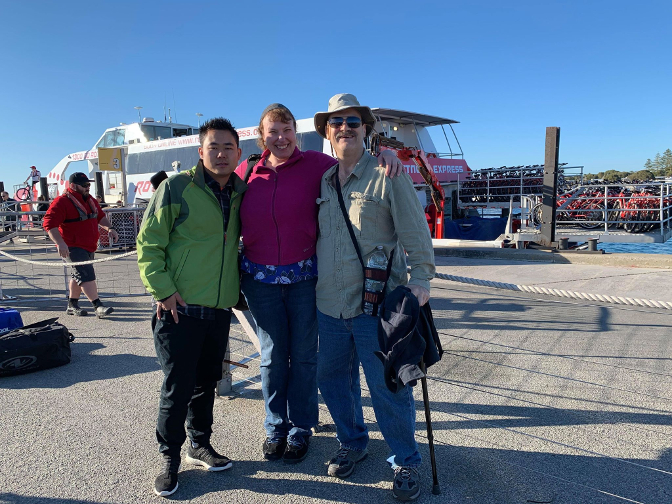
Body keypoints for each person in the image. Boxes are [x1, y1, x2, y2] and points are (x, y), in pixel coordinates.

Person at [234, 104, 402, 465]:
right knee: (272, 357)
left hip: (305, 280)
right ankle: (275, 426)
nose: (280, 137)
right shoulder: (247, 171)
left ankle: (301, 428)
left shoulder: (317, 165)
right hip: (260, 281)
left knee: (306, 357)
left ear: (297, 132)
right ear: (261, 135)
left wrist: (384, 153)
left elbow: (353, 161)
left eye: (287, 129)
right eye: (273, 131)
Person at [313, 94, 435, 502]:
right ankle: (353, 441)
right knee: (331, 380)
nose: (344, 128)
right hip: (329, 304)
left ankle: (406, 460)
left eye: (352, 121)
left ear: (365, 129)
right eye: (336, 122)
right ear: (326, 133)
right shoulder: (324, 180)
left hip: (376, 306)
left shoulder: (388, 173)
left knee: (388, 387)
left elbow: (416, 233)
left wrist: (421, 281)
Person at [137, 117, 245, 498]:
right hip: (178, 310)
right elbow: (148, 244)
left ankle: (200, 444)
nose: (220, 154)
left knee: (206, 384)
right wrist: (163, 290)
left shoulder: (240, 191)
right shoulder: (176, 188)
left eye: (227, 147)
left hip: (217, 309)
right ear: (200, 152)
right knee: (177, 386)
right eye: (212, 147)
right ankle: (170, 456)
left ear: (238, 153)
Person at [42, 173, 118, 317]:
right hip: (72, 246)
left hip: (89, 245)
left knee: (78, 275)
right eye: (84, 185)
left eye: (89, 185)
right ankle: (98, 306)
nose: (87, 187)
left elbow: (100, 216)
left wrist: (111, 228)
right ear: (73, 185)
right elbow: (48, 223)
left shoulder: (90, 200)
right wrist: (60, 243)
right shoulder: (61, 202)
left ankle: (72, 305)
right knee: (85, 274)